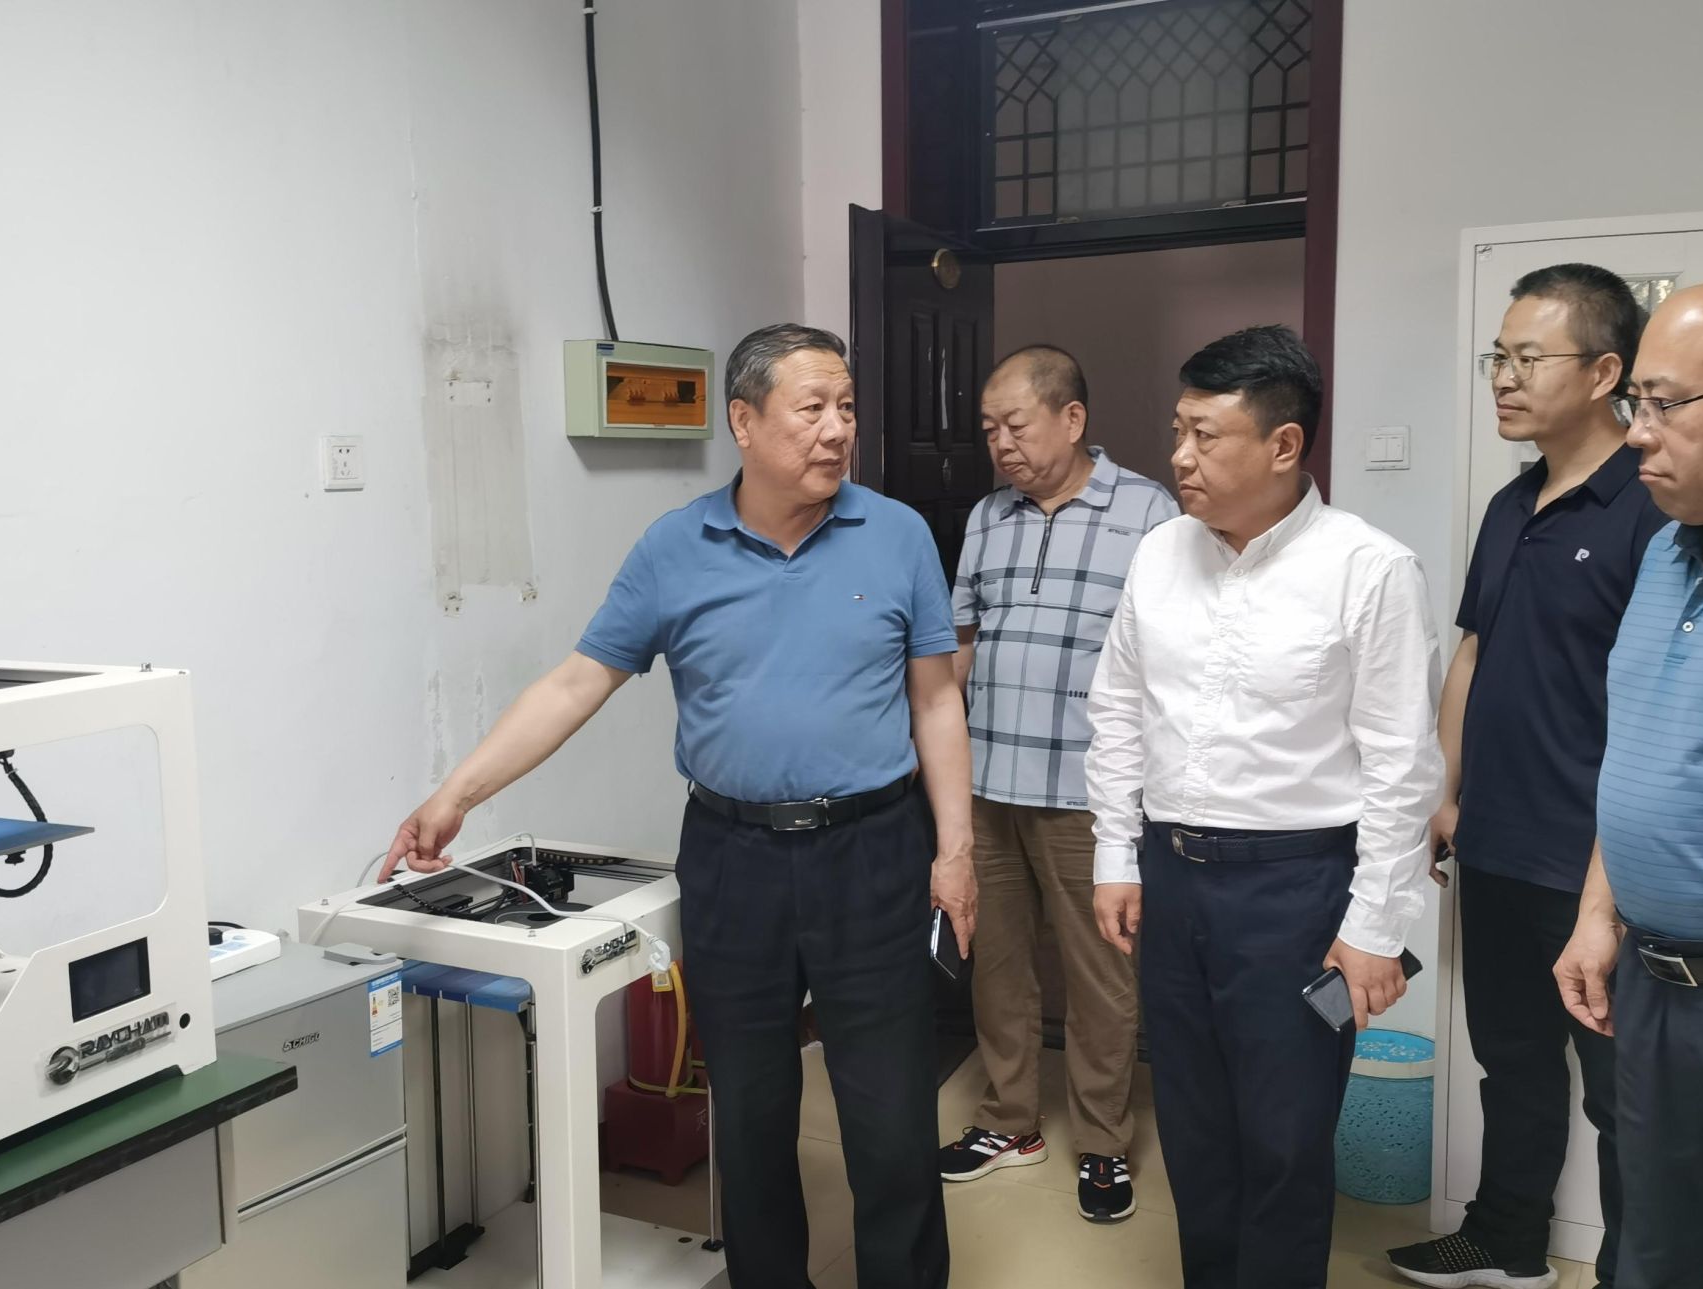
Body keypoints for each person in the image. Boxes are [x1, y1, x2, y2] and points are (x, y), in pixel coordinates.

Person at [378, 323, 974, 1289]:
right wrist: (455, 794)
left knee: (892, 1116)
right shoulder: (674, 547)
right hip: (734, 857)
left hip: (873, 850)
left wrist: (956, 851)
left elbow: (937, 701)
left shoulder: (898, 533)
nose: (838, 430)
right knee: (750, 1112)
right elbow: (576, 683)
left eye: (846, 407)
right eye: (811, 408)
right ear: (744, 420)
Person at [1086, 324, 1443, 1289]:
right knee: (1193, 1126)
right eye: (1178, 430)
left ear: (1284, 444)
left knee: (1285, 1139)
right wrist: (1116, 856)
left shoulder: (1369, 568)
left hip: (1298, 893)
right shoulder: (1159, 553)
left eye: (1205, 435)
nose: (1179, 456)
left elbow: (1402, 766)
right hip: (1171, 880)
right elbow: (1117, 710)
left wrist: (1374, 929)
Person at [1388, 264, 1663, 1289]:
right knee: (1508, 1061)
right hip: (1495, 841)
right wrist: (1443, 791)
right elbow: (1473, 650)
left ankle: (1634, 1269)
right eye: (1495, 358)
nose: (1502, 377)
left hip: (1598, 865)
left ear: (1603, 371)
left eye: (1526, 357)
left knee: (1624, 1096)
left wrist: (1608, 876)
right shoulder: (1510, 503)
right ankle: (1506, 1242)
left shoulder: (1650, 504)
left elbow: (1657, 702)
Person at [935, 346, 1177, 1226]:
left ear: (1072, 419)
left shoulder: (1150, 512)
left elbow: (1169, 657)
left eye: (1016, 424)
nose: (1000, 443)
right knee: (996, 964)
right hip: (990, 783)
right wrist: (937, 762)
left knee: (1100, 975)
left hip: (1090, 795)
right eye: (989, 429)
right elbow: (962, 643)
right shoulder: (987, 515)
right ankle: (1009, 1120)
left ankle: (1103, 1140)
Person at [1555, 280, 1703, 1289]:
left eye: (1666, 404)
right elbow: (1636, 752)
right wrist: (1598, 912)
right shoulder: (1665, 553)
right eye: (1637, 402)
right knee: (1656, 1256)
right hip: (1651, 987)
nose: (1636, 432)